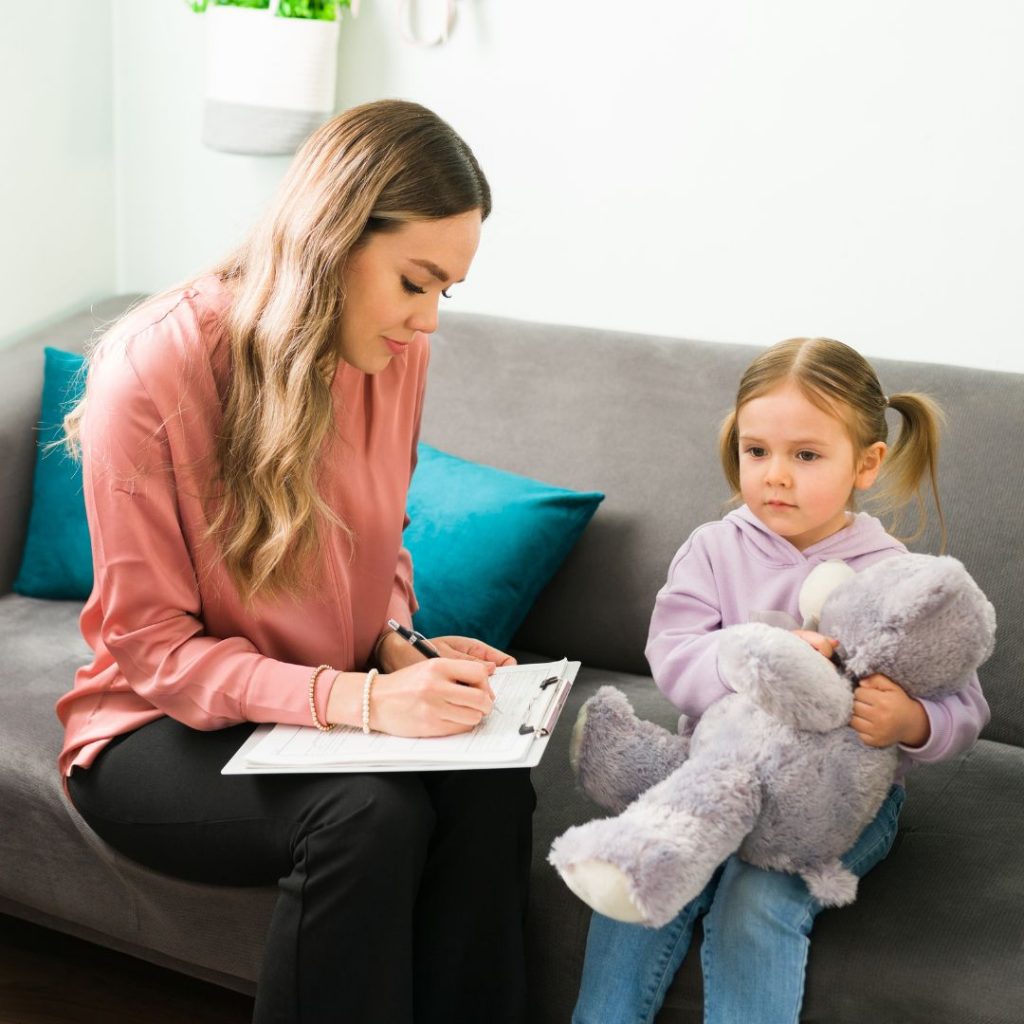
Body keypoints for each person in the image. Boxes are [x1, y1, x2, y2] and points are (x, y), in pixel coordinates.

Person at [56, 99, 536, 1024]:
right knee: (368, 815)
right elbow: (152, 650)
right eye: (415, 281)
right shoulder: (153, 369)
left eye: (448, 291)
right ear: (333, 238)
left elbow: (378, 540)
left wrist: (398, 643)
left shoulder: (393, 352)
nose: (429, 321)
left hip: (319, 695)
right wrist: (356, 701)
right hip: (153, 728)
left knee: (489, 783)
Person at [571, 337, 990, 1024]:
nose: (775, 475)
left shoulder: (895, 575)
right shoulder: (713, 548)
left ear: (866, 463)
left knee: (755, 902)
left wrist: (914, 721)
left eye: (805, 455)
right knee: (638, 873)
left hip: (833, 806)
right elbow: (674, 658)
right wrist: (756, 656)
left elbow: (965, 705)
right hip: (713, 777)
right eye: (756, 451)